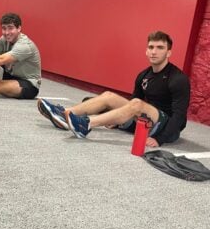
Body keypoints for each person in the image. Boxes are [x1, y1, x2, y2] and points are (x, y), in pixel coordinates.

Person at [38, 31, 190, 147]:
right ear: (146, 50)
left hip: (167, 127)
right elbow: (130, 105)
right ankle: (64, 114)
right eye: (151, 47)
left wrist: (160, 139)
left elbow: (180, 118)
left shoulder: (178, 79)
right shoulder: (144, 75)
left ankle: (86, 124)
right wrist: (117, 120)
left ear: (169, 52)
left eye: (160, 48)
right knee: (109, 96)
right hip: (145, 122)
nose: (154, 51)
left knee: (137, 103)